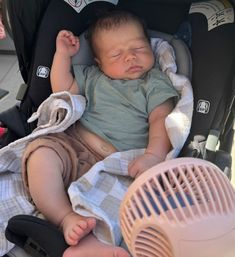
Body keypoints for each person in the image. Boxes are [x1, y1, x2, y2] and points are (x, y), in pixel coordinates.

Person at [22, 10, 178, 257]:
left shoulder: (154, 82)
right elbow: (61, 89)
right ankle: (64, 218)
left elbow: (162, 119)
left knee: (130, 200)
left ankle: (92, 243)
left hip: (118, 165)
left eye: (138, 48)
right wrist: (63, 55)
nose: (130, 57)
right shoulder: (91, 77)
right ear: (99, 62)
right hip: (73, 144)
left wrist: (153, 156)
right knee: (40, 156)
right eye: (116, 54)